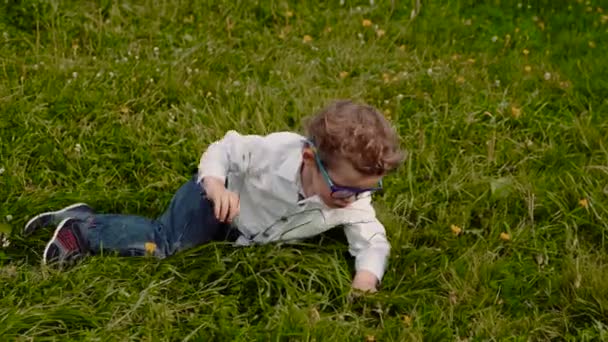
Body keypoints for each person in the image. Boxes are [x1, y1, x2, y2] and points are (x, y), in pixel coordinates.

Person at [24, 99, 405, 292]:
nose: (353, 200)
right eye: (343, 188)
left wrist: (366, 280)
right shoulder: (275, 153)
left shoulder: (352, 201)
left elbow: (372, 240)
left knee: (185, 246)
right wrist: (215, 185)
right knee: (166, 243)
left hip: (240, 231)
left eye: (367, 190)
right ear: (310, 159)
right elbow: (223, 149)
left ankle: (87, 216)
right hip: (214, 200)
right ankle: (82, 231)